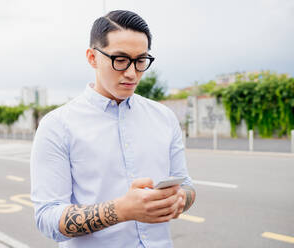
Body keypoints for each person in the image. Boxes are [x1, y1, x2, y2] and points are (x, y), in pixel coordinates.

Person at [30, 10, 196, 248]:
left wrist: (181, 199)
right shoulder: (57, 126)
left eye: (141, 60)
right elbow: (47, 218)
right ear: (92, 57)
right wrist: (120, 210)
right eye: (120, 60)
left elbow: (187, 185)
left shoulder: (164, 118)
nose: (132, 73)